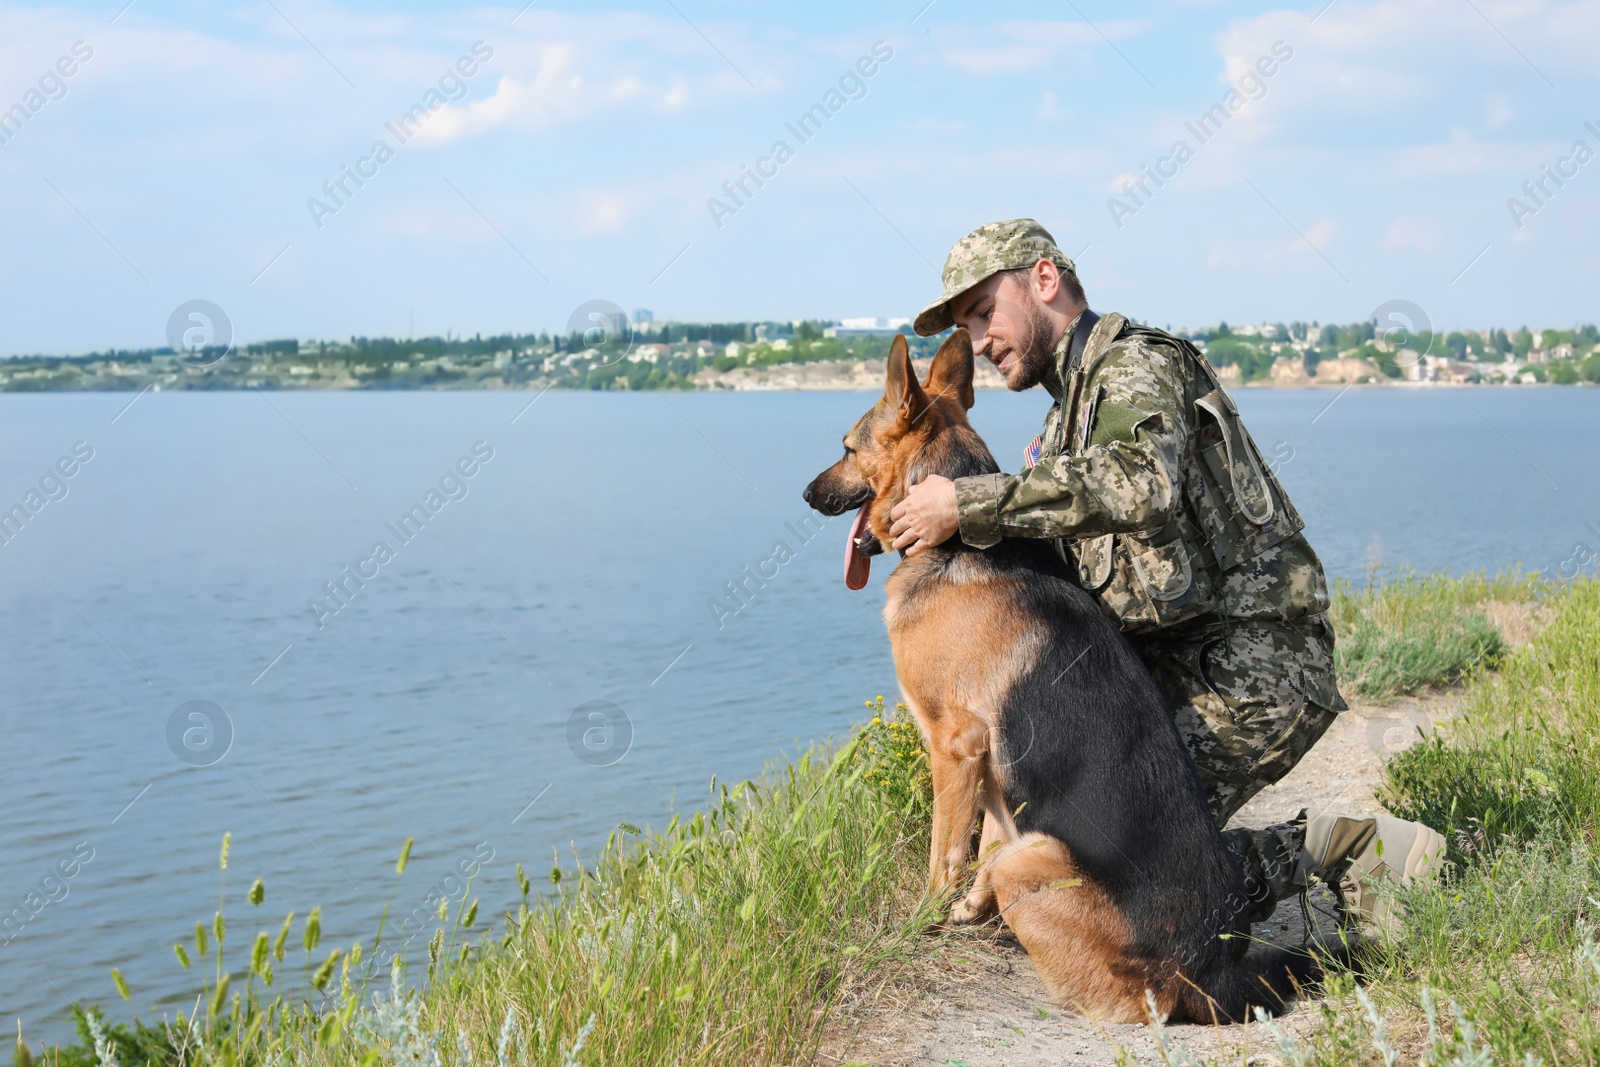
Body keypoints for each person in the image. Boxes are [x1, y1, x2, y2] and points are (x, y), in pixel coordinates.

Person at [887, 218, 1444, 928]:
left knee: (1106, 872)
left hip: (1254, 667)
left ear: (1045, 281)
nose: (979, 340)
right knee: (1039, 873)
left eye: (985, 312)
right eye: (966, 324)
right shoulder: (1065, 422)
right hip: (1165, 670)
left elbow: (1139, 482)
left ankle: (1327, 849)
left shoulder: (1136, 367)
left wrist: (965, 503)